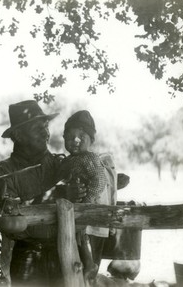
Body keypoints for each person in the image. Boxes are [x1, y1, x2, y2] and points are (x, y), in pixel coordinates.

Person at [0, 100, 86, 286]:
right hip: (26, 256)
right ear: (18, 135)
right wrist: (59, 194)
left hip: (66, 253)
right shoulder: (4, 173)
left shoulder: (61, 165)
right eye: (37, 128)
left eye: (46, 126)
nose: (46, 133)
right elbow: (12, 216)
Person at [58, 110, 112, 280]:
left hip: (90, 210)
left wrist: (88, 200)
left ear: (92, 140)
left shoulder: (90, 159)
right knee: (75, 239)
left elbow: (99, 180)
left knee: (83, 236)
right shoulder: (68, 161)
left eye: (82, 136)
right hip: (75, 210)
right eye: (70, 136)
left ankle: (90, 264)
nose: (75, 140)